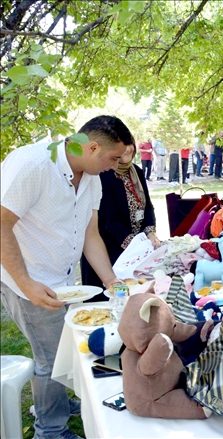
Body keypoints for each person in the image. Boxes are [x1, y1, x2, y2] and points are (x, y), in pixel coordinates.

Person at [0, 115, 129, 439]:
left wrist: (110, 280)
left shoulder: (92, 178)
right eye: (113, 158)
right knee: (49, 357)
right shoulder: (32, 163)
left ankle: (59, 400)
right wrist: (27, 284)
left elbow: (90, 234)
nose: (115, 167)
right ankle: (51, 429)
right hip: (25, 280)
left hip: (62, 281)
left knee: (65, 347)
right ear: (93, 146)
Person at [80, 138, 160, 291]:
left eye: (130, 144)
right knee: (108, 300)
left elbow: (148, 206)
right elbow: (107, 218)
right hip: (109, 250)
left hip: (136, 251)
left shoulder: (137, 171)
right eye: (124, 146)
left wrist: (149, 233)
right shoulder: (103, 174)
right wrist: (133, 243)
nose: (128, 149)